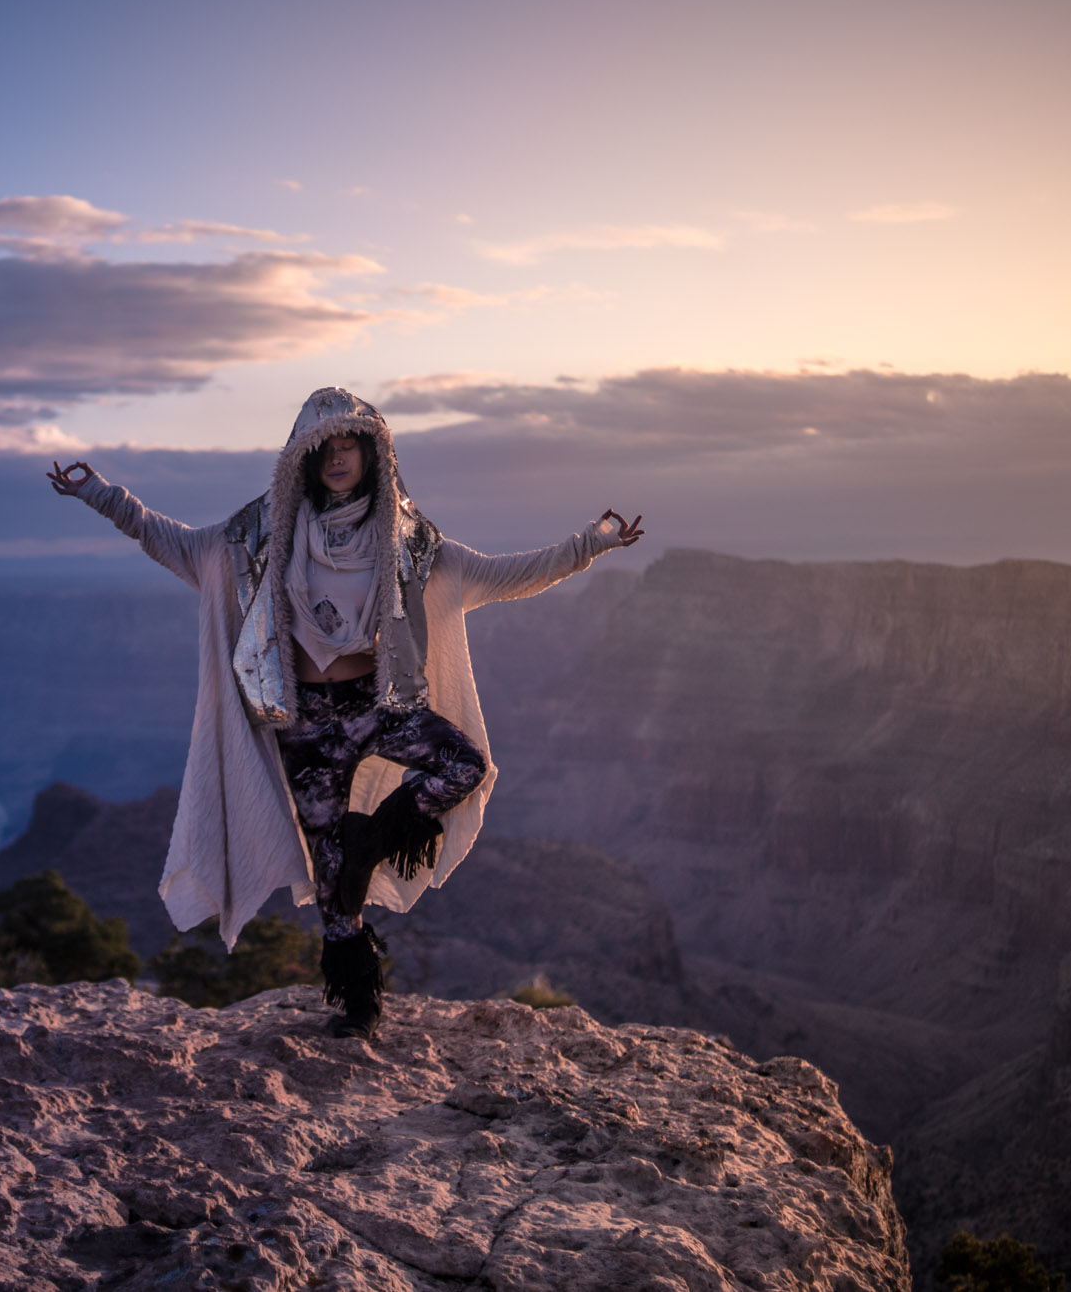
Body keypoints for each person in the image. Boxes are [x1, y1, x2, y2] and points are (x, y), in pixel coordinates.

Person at [47, 386, 642, 1038]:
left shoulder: (409, 541)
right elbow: (183, 546)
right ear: (302, 456)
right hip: (304, 724)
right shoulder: (261, 534)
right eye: (322, 447)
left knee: (462, 763)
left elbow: (503, 575)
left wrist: (591, 544)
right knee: (334, 886)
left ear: (371, 452)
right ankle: (360, 1004)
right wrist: (102, 495)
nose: (335, 458)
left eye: (348, 445)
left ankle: (374, 835)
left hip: (375, 707)